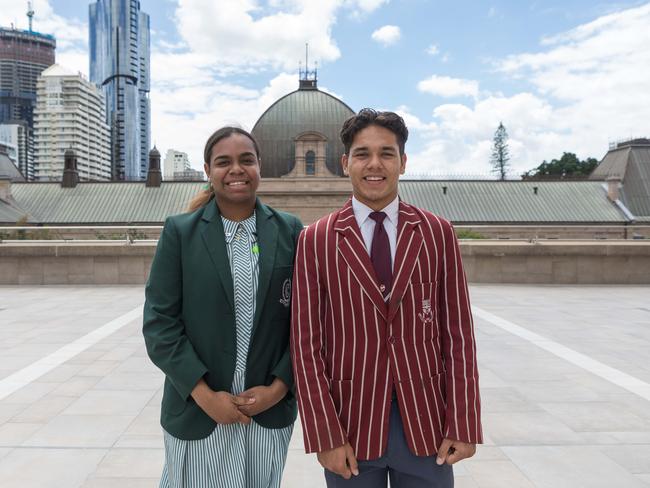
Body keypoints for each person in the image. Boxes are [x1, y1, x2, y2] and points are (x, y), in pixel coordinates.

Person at [291, 109, 482, 487]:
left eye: (387, 153)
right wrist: (325, 434)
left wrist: (464, 421)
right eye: (362, 154)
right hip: (350, 426)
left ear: (403, 162)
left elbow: (459, 335)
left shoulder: (437, 233)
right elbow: (305, 346)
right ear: (346, 163)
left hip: (427, 425)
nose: (374, 164)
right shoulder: (316, 239)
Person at [143, 126, 303, 487]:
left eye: (246, 160)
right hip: (199, 411)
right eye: (223, 162)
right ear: (207, 170)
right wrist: (205, 395)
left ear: (259, 166)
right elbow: (159, 324)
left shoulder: (290, 231)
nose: (236, 170)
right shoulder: (180, 233)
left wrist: (278, 389)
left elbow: (308, 323)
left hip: (265, 412)